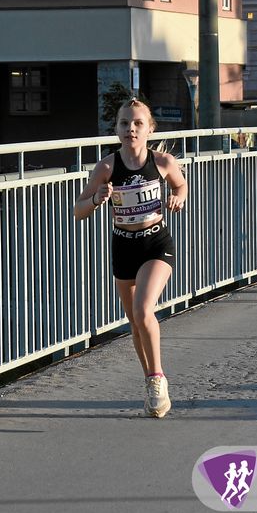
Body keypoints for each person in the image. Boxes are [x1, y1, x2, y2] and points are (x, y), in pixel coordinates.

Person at [74, 98, 188, 418]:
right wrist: (96, 198)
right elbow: (78, 210)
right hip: (124, 246)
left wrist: (177, 197)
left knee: (143, 309)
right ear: (116, 129)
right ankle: (150, 381)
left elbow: (181, 185)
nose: (131, 129)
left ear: (150, 129)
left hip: (156, 244)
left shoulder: (162, 161)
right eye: (125, 124)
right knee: (135, 324)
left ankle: (157, 379)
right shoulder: (107, 167)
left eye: (138, 124)